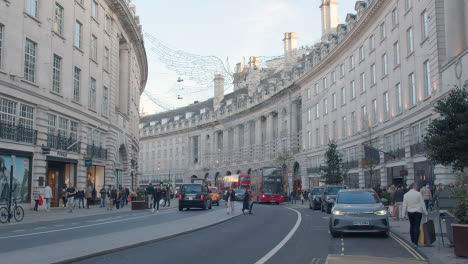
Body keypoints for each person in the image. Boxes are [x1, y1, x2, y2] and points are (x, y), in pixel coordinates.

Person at [402, 183, 428, 247]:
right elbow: (422, 204)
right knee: (417, 226)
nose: (417, 187)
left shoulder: (406, 195)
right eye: (416, 186)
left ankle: (413, 239)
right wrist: (425, 212)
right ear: (414, 187)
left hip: (410, 212)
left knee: (412, 225)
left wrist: (403, 215)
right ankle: (416, 242)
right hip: (418, 212)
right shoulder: (419, 194)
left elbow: (404, 205)